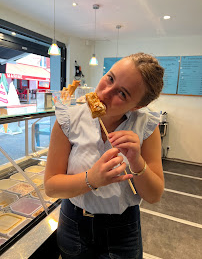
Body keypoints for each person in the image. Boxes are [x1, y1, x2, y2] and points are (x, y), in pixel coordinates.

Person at [44, 52, 165, 259]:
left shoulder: (146, 126)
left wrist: (136, 161)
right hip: (73, 222)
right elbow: (51, 187)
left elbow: (154, 196)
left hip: (123, 229)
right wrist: (92, 179)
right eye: (110, 78)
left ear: (138, 106)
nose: (105, 92)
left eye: (123, 94)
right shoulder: (69, 118)